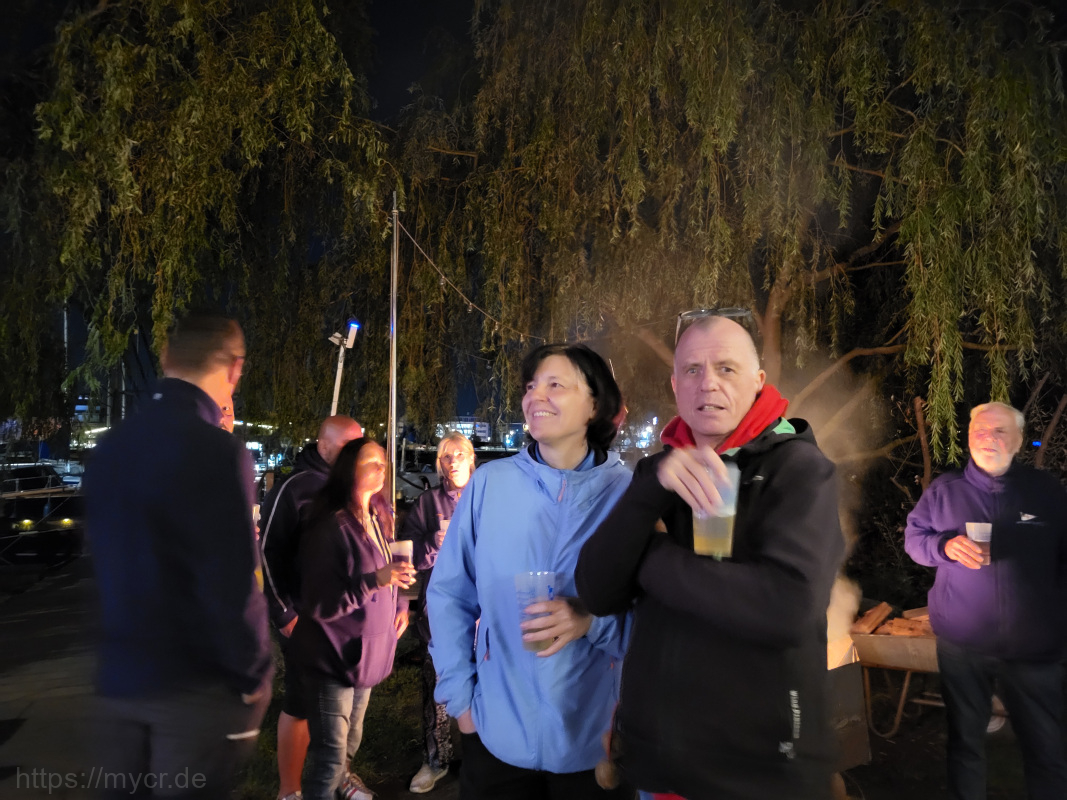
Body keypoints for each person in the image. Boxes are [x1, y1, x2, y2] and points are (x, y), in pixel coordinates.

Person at [575, 309, 845, 800]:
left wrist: (651, 557)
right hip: (658, 766)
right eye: (693, 370)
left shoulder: (799, 469)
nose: (708, 384)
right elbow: (597, 591)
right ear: (675, 386)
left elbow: (786, 608)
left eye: (726, 368)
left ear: (758, 381)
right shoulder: (657, 473)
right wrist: (648, 493)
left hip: (758, 773)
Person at [427, 343, 634, 800]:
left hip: (596, 744)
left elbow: (651, 614)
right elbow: (449, 595)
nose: (535, 396)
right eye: (530, 386)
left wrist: (590, 621)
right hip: (495, 738)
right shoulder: (490, 484)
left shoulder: (628, 494)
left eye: (555, 384)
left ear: (595, 404)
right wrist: (463, 705)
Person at [83, 312, 273, 798]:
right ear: (235, 367)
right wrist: (254, 673)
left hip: (119, 680)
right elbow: (233, 581)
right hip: (194, 687)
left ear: (166, 358)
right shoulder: (219, 452)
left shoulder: (110, 449)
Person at [904, 401, 1067, 800]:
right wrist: (944, 546)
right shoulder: (945, 491)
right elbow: (914, 539)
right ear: (968, 437)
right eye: (979, 430)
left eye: (999, 431)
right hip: (963, 646)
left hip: (1033, 648)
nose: (988, 439)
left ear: (1018, 441)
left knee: (1046, 748)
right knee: (965, 743)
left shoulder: (1045, 491)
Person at [291, 437, 416, 800]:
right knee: (329, 758)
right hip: (333, 656)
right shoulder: (329, 527)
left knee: (349, 745)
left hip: (366, 655)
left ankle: (342, 788)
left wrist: (400, 605)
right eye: (371, 463)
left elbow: (390, 573)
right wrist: (375, 581)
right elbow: (321, 603)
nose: (382, 469)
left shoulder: (378, 517)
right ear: (349, 471)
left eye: (383, 463)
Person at [260, 415, 364, 800]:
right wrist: (285, 615)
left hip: (346, 618)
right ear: (323, 446)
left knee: (344, 701)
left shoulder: (352, 486)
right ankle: (290, 790)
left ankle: (340, 776)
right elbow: (268, 552)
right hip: (305, 618)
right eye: (347, 446)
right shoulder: (294, 488)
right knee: (302, 703)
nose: (355, 454)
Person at [400, 432, 476, 793]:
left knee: (487, 687)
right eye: (447, 456)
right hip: (440, 613)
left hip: (485, 611)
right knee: (437, 688)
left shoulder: (487, 495)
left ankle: (484, 760)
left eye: (460, 454)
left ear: (471, 459)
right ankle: (435, 760)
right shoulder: (428, 503)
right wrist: (432, 543)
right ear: (440, 464)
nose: (454, 461)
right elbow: (408, 554)